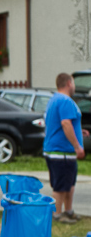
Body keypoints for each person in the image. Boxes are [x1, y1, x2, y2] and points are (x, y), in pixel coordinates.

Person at [43, 73, 87, 223]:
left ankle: (68, 211)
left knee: (69, 183)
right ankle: (57, 214)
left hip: (55, 149)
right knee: (61, 185)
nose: (74, 86)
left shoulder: (54, 99)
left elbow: (60, 124)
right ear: (69, 83)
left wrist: (80, 132)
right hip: (62, 151)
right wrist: (77, 146)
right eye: (73, 83)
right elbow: (65, 124)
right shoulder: (65, 101)